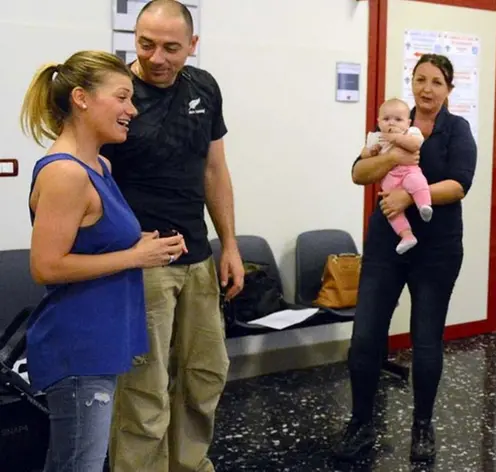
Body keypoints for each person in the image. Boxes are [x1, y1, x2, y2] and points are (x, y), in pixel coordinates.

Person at [19, 50, 187, 471]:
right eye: (123, 97)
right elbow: (47, 266)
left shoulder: (101, 166)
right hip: (78, 346)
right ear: (81, 98)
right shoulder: (66, 173)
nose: (132, 109)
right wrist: (134, 256)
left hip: (102, 338)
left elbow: (97, 241)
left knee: (73, 461)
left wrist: (147, 246)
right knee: (80, 464)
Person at [100, 1, 245, 470]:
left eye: (170, 47)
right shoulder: (114, 94)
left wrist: (231, 246)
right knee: (145, 389)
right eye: (145, 44)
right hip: (141, 263)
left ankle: (189, 465)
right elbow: (87, 174)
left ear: (192, 46)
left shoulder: (204, 86)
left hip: (197, 257)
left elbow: (215, 169)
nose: (156, 57)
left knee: (205, 376)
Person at [333, 53, 477, 462]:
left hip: (437, 248)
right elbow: (359, 173)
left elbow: (460, 184)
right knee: (365, 335)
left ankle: (422, 427)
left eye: (435, 82)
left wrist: (407, 196)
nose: (426, 89)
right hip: (385, 244)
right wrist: (392, 158)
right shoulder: (394, 122)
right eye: (419, 79)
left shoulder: (457, 130)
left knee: (426, 339)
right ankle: (360, 423)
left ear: (449, 89)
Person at [365, 97, 432, 254]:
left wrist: (396, 138)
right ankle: (406, 235)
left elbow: (415, 145)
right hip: (390, 180)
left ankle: (424, 205)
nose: (391, 123)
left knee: (417, 182)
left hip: (408, 172)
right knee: (390, 209)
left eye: (398, 119)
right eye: (386, 119)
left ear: (408, 123)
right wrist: (371, 151)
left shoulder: (411, 132)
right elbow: (363, 158)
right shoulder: (377, 137)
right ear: (378, 121)